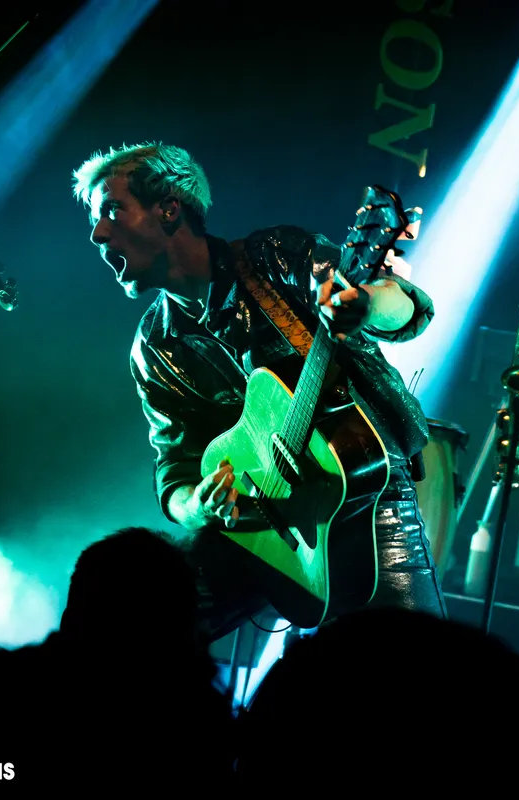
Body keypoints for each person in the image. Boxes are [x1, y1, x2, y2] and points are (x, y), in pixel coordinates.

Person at [71, 142, 446, 639]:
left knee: (421, 663)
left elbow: (407, 307)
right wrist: (198, 506)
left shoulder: (274, 257)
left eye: (112, 211)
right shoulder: (155, 346)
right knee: (129, 614)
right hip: (255, 520)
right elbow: (175, 469)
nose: (98, 233)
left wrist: (367, 305)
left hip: (366, 497)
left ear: (168, 209)